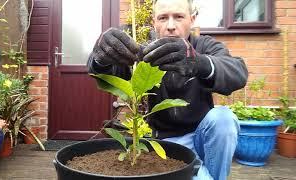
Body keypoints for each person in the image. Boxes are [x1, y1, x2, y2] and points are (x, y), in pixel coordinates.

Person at [88, 0, 248, 179]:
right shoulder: (145, 52)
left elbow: (238, 72)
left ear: (192, 19)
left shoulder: (204, 46)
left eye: (178, 17)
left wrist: (199, 63)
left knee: (224, 118)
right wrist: (101, 58)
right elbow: (105, 74)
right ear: (154, 22)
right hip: (167, 142)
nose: (171, 26)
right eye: (163, 18)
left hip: (204, 134)